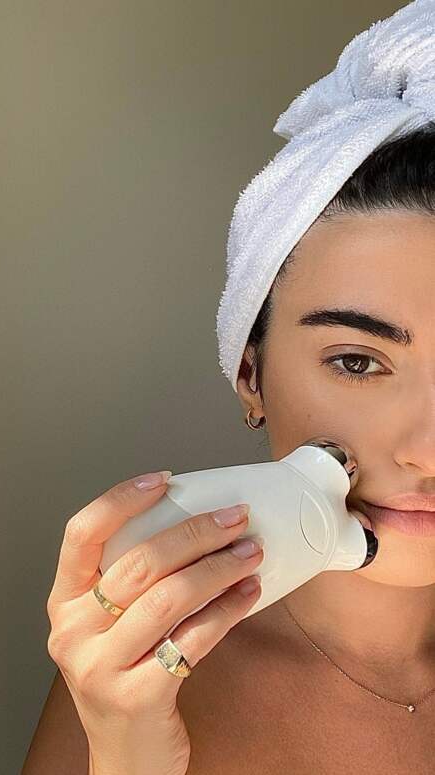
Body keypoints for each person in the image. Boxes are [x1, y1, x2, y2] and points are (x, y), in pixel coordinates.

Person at [22, 6, 435, 774]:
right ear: (251, 374)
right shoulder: (144, 683)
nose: (428, 451)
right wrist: (127, 753)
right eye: (356, 361)